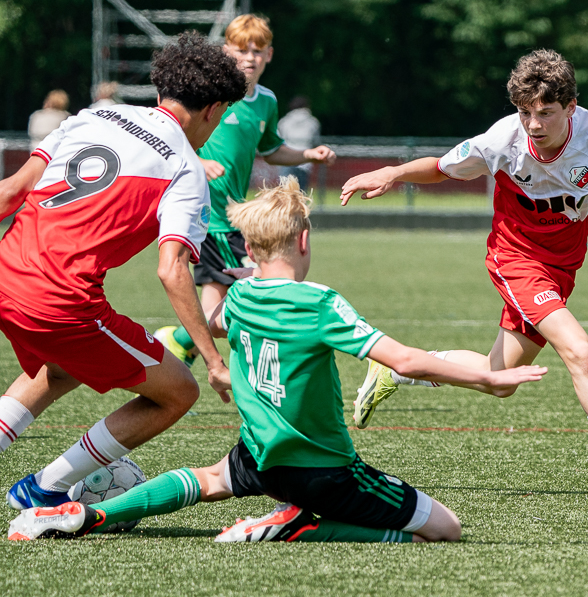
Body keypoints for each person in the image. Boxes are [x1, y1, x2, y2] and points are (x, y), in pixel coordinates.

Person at [7, 179, 546, 542]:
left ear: (249, 249)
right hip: (325, 473)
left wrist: (208, 352)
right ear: (304, 239)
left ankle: (84, 513)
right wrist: (486, 376)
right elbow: (403, 360)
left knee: (212, 478)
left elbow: (210, 323)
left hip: (260, 459)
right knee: (446, 528)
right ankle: (303, 527)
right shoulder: (320, 303)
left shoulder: (238, 298)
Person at [341, 49, 588, 505]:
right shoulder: (502, 139)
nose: (534, 125)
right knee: (581, 353)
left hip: (562, 268)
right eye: (526, 113)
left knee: (498, 377)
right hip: (516, 260)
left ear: (571, 106)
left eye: (546, 113)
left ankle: (396, 370)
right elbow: (443, 167)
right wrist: (394, 171)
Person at [0, 31, 246, 510]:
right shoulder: (186, 167)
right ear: (214, 109)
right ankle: (44, 488)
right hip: (60, 302)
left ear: (161, 91)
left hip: (4, 272)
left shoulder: (94, 115)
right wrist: (215, 363)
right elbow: (172, 269)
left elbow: (11, 192)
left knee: (67, 365)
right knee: (178, 391)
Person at [154, 14, 336, 366]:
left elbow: (271, 150)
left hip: (234, 216)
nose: (250, 57)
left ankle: (177, 352)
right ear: (226, 51)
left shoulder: (266, 100)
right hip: (211, 215)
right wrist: (197, 163)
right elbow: (170, 132)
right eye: (241, 49)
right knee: (261, 283)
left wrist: (306, 154)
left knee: (222, 299)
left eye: (258, 50)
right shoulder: (212, 94)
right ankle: (186, 346)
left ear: (270, 54)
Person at [277, 95, 323, 194]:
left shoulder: (285, 121)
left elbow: (278, 140)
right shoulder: (313, 122)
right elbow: (316, 141)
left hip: (286, 159)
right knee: (301, 195)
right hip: (305, 161)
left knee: (285, 195)